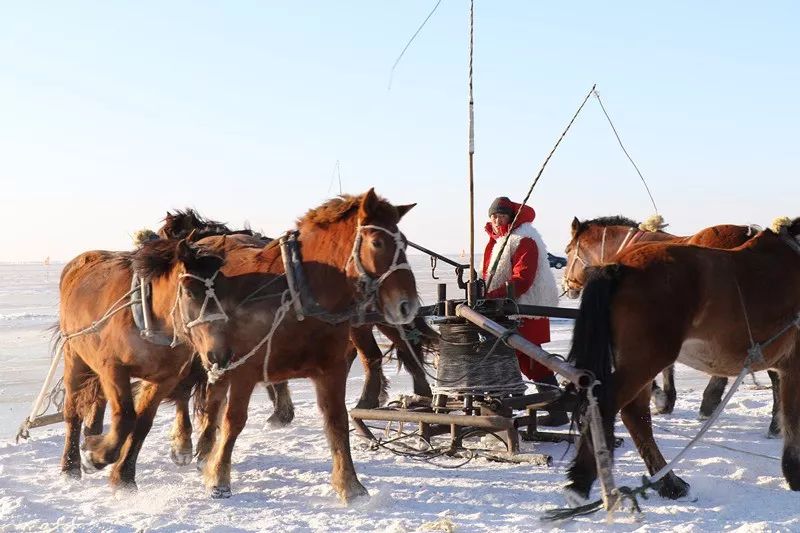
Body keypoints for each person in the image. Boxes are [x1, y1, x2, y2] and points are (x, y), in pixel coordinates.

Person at [482, 196, 568, 426]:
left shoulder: (524, 239)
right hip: (505, 309)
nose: (496, 219)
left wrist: (489, 296)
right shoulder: (500, 240)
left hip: (524, 309)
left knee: (530, 358)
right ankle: (551, 408)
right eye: (492, 215)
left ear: (511, 217)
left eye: (500, 215)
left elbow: (522, 279)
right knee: (519, 358)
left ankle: (554, 408)